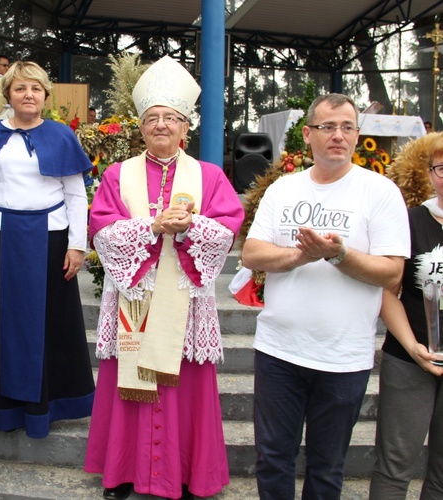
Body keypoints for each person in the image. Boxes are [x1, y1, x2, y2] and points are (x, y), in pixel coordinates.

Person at [83, 56, 244, 500]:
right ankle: (123, 472)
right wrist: (153, 227)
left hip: (182, 301)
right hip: (136, 297)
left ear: (184, 127)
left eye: (169, 118)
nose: (160, 125)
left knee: (184, 385)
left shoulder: (208, 175)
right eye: (151, 118)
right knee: (130, 385)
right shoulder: (118, 175)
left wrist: (190, 226)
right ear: (140, 127)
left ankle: (189, 473)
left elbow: (229, 226)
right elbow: (101, 228)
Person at [241, 93, 411, 499]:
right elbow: (251, 253)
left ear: (357, 135)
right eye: (328, 127)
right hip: (279, 351)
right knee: (272, 458)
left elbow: (392, 270)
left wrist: (338, 254)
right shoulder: (283, 189)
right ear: (308, 135)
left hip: (342, 356)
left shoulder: (379, 191)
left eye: (348, 127)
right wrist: (302, 254)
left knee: (327, 466)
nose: (339, 135)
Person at [0, 61, 95, 439]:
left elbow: (76, 194)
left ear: (45, 95)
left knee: (50, 323)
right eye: (20, 88)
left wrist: (78, 245)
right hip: (0, 237)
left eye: (36, 89)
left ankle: (50, 402)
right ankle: (2, 405)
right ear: (8, 94)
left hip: (50, 239)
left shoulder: (61, 135)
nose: (28, 95)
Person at [368, 132, 443, 499]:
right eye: (442, 167)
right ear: (429, 173)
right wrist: (412, 346)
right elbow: (386, 289)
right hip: (410, 356)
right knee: (395, 466)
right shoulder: (410, 221)